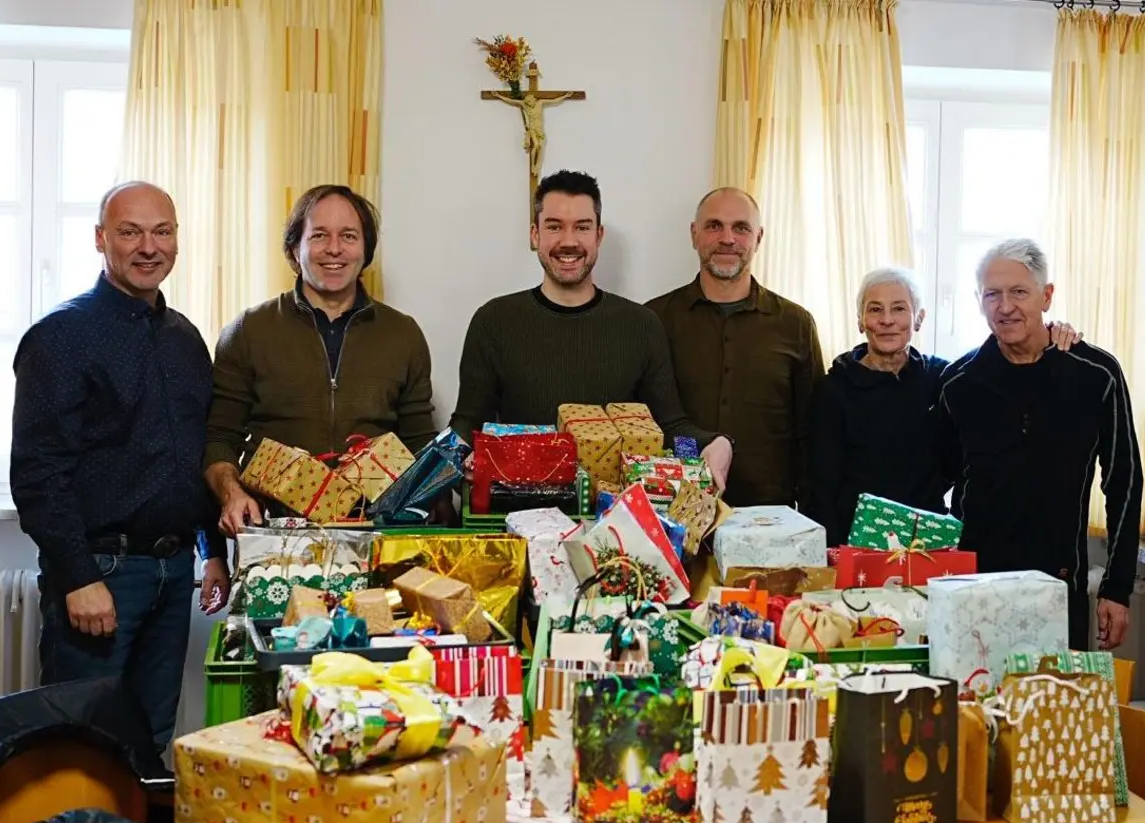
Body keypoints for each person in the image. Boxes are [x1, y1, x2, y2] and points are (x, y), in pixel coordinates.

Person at [11, 181, 229, 756]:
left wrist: (211, 551)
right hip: (100, 572)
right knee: (78, 746)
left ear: (177, 239)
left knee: (150, 739)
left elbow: (193, 456)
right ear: (101, 239)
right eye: (130, 232)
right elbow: (38, 472)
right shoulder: (61, 336)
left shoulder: (186, 339)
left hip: (173, 568)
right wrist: (79, 577)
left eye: (162, 231)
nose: (148, 246)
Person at [450, 170, 733, 484]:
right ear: (535, 235)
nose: (568, 241)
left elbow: (670, 431)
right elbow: (468, 425)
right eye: (554, 226)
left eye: (582, 227)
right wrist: (445, 470)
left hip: (614, 521)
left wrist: (713, 444)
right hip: (518, 513)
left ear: (599, 235)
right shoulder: (493, 321)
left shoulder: (641, 326)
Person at [936, 238, 1141, 651]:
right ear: (979, 301)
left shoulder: (1096, 374)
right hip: (971, 586)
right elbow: (929, 481)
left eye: (1019, 292)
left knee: (1052, 710)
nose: (1005, 306)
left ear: (1046, 296)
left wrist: (1117, 590)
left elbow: (1125, 481)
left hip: (1059, 586)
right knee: (974, 712)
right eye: (992, 294)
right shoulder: (958, 383)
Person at [207, 185, 435, 533]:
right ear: (294, 248)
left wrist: (433, 502)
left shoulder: (403, 334)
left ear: (366, 249)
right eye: (318, 235)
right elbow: (219, 438)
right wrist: (231, 493)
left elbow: (419, 443)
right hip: (273, 534)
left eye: (348, 235)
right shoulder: (248, 330)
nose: (334, 249)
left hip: (375, 533)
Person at [805, 267, 1082, 544]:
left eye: (899, 309)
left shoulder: (941, 378)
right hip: (853, 542)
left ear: (919, 319)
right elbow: (819, 486)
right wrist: (828, 555)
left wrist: (1049, 332)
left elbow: (1005, 367)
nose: (887, 320)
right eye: (875, 310)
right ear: (861, 321)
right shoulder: (834, 389)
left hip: (928, 538)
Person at [646, 187, 823, 507]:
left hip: (769, 514)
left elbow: (812, 431)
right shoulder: (654, 319)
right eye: (714, 226)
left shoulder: (795, 323)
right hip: (672, 510)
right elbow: (647, 421)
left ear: (759, 238)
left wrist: (811, 517)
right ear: (694, 234)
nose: (727, 238)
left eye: (741, 228)